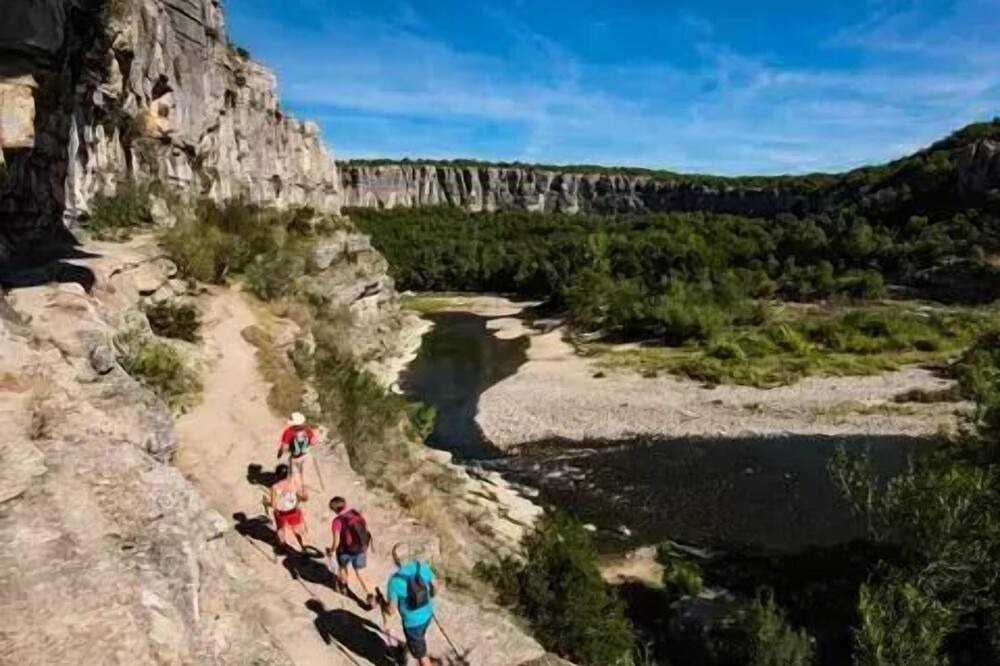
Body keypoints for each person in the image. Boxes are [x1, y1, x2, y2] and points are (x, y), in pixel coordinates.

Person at [381, 543, 436, 666]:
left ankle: (414, 651)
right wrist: (430, 596)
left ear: (396, 560)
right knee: (419, 639)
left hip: (412, 624)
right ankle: (412, 647)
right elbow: (435, 587)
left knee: (422, 656)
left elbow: (391, 611)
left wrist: (383, 604)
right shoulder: (421, 567)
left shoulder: (394, 581)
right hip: (428, 614)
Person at [326, 496, 374, 607]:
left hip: (345, 551)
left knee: (343, 568)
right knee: (360, 573)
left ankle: (344, 587)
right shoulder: (356, 513)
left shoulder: (337, 521)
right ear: (345, 504)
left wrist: (331, 551)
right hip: (360, 549)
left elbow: (336, 542)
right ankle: (370, 594)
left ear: (334, 510)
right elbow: (365, 529)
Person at [262, 463, 309, 554]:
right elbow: (301, 497)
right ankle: (303, 547)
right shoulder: (293, 482)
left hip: (281, 513)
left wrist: (266, 503)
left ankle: (282, 547)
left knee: (280, 529)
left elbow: (274, 505)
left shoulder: (274, 487)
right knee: (296, 530)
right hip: (294, 511)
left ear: (277, 475)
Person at [277, 412, 317, 483]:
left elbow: (284, 447)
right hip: (306, 455)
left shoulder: (288, 432)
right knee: (305, 475)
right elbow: (313, 443)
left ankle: (297, 489)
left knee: (294, 476)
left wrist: (280, 453)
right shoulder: (308, 430)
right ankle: (305, 487)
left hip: (295, 457)